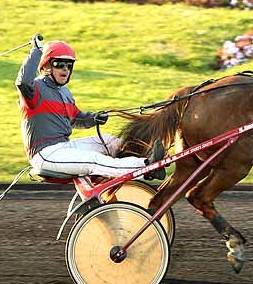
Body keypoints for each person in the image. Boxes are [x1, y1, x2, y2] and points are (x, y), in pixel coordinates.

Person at [16, 35, 165, 180]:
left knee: (108, 141)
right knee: (94, 160)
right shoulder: (34, 89)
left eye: (69, 65)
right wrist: (36, 51)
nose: (65, 69)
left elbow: (77, 118)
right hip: (45, 154)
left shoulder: (65, 93)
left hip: (65, 147)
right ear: (46, 65)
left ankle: (149, 157)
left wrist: (93, 118)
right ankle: (145, 166)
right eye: (59, 64)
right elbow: (23, 82)